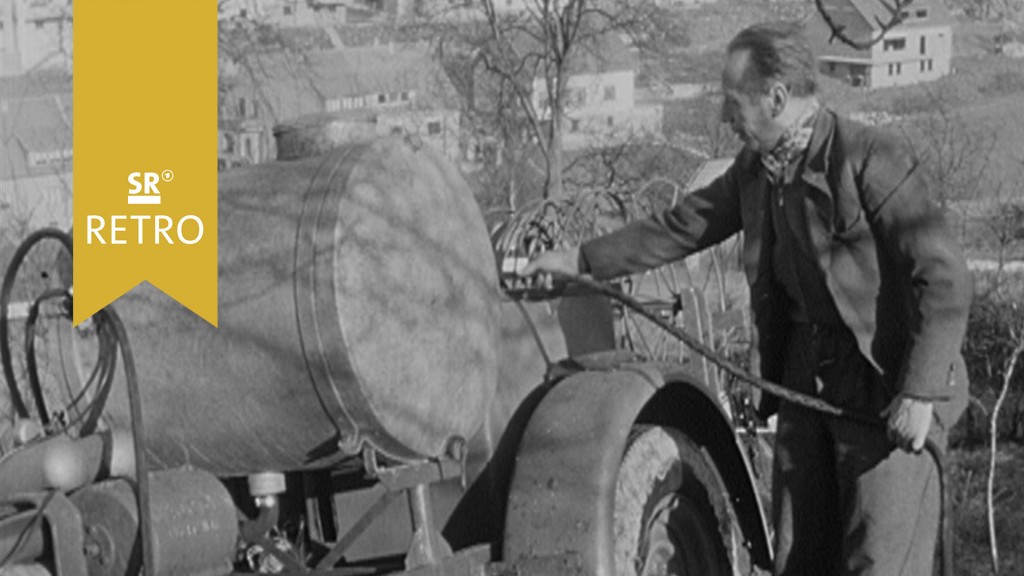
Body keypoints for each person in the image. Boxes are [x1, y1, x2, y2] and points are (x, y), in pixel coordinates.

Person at [520, 21, 971, 576]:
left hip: (886, 386)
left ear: (777, 97)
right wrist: (582, 262)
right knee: (800, 559)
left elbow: (944, 277)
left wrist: (919, 391)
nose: (724, 119)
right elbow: (681, 226)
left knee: (880, 562)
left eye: (733, 103)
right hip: (808, 386)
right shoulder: (757, 172)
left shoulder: (869, 159)